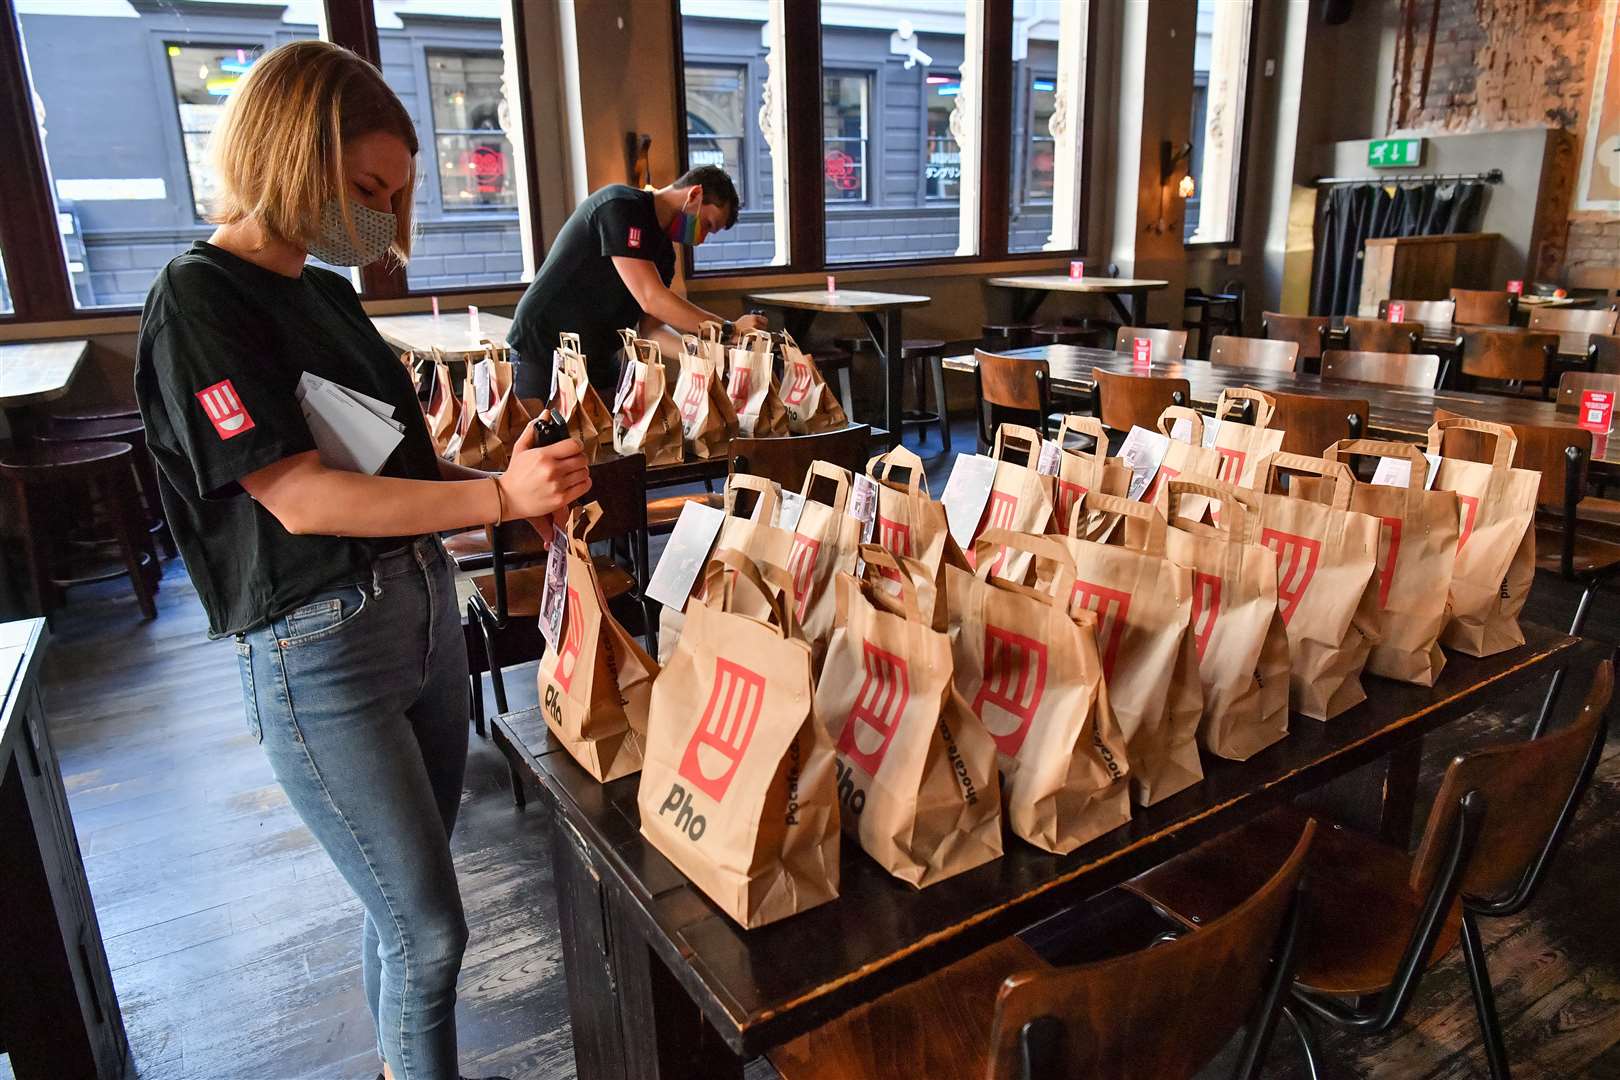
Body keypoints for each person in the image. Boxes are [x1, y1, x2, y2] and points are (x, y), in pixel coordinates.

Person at [132, 41, 588, 1080]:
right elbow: (295, 496)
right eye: (364, 189)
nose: (379, 216)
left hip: (419, 612)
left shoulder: (325, 295)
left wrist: (500, 469)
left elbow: (389, 459)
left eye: (394, 193)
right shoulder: (200, 300)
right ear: (290, 156)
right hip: (316, 651)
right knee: (428, 930)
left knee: (398, 910)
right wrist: (495, 501)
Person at [508, 165, 768, 396]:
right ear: (695, 195)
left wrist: (703, 354)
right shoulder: (620, 206)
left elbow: (652, 328)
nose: (701, 239)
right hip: (543, 345)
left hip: (596, 353)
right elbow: (651, 298)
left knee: (605, 440)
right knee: (544, 441)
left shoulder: (664, 255)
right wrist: (729, 329)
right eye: (708, 224)